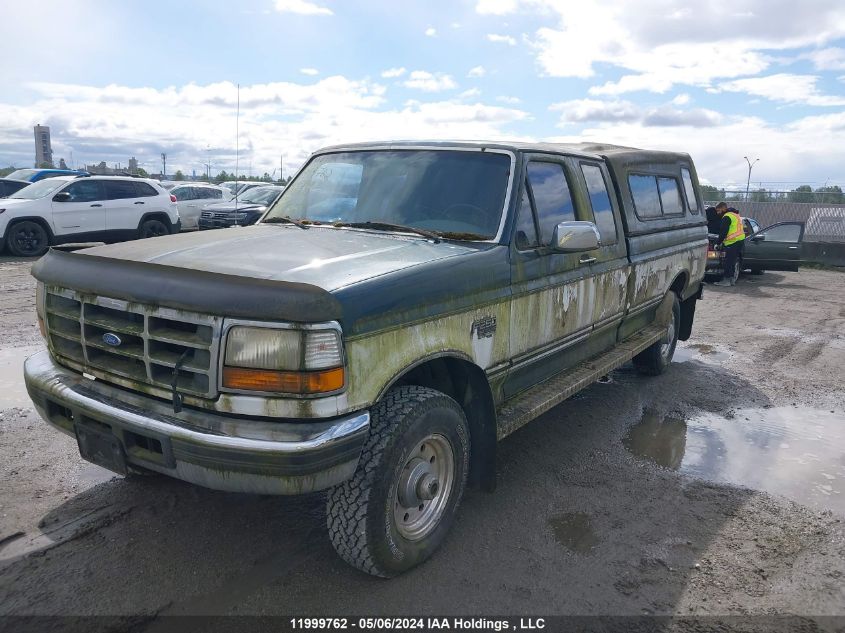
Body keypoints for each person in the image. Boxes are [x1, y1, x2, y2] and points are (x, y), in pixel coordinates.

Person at [713, 203, 745, 287]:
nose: (717, 213)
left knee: (727, 262)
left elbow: (723, 232)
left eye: (718, 210)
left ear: (723, 208)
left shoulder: (726, 217)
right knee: (732, 261)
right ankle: (731, 280)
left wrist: (718, 243)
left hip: (733, 242)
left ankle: (726, 280)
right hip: (739, 240)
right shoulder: (735, 215)